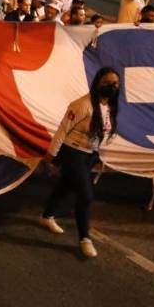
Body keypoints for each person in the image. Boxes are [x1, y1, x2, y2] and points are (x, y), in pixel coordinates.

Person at [38, 67, 120, 258]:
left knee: (66, 186)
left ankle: (46, 216)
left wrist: (101, 156)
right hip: (72, 151)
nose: (112, 87)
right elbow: (62, 130)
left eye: (116, 84)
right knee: (85, 195)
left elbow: (104, 134)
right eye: (108, 83)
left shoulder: (109, 106)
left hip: (90, 155)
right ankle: (85, 238)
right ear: (98, 82)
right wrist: (50, 156)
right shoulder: (82, 104)